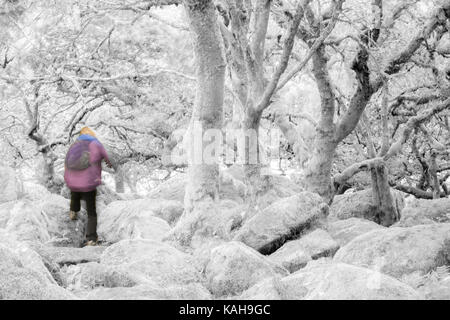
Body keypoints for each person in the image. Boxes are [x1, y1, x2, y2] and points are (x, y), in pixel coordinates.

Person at [64, 127, 112, 246]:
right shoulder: (97, 144)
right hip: (89, 183)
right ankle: (91, 238)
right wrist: (110, 165)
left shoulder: (74, 145)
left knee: (75, 191)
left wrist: (68, 178)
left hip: (73, 182)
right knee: (91, 211)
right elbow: (108, 159)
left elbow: (66, 163)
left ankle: (73, 211)